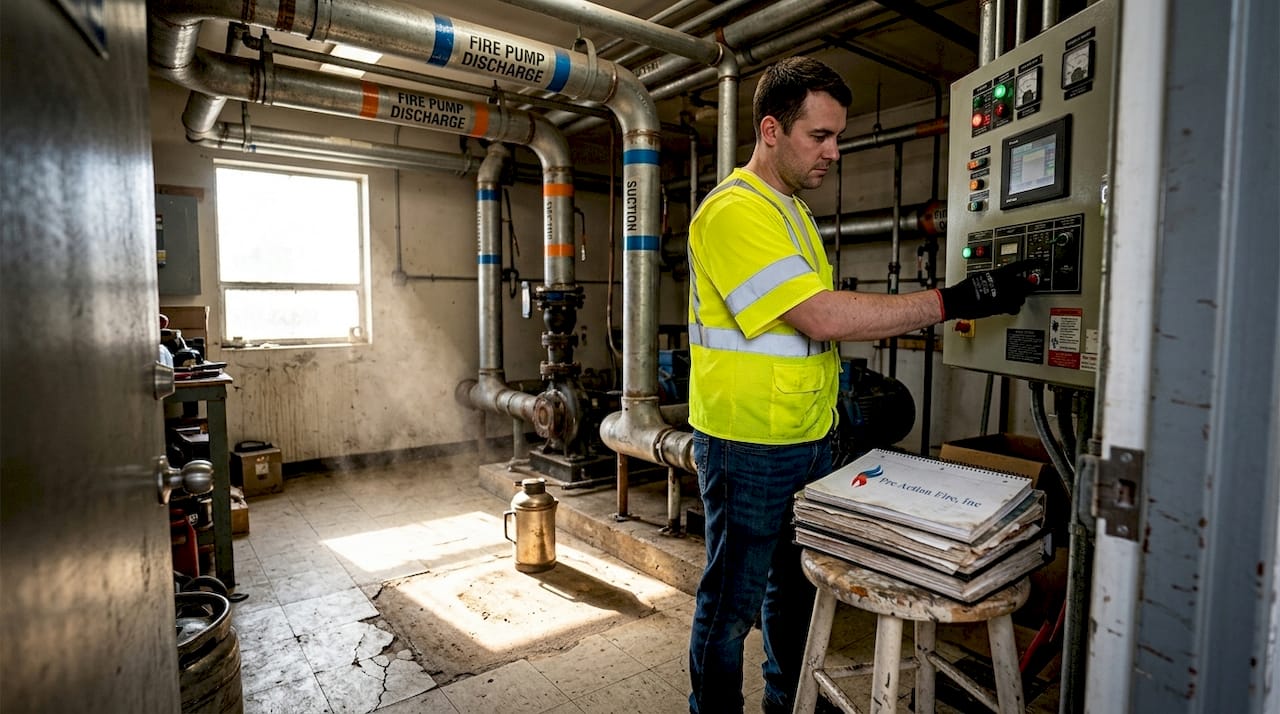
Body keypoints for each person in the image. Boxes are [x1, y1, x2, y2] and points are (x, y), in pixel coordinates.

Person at [685, 56, 1039, 714]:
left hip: (805, 438)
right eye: (820, 136)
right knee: (729, 610)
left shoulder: (789, 212)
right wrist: (950, 299)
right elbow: (820, 315)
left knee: (791, 597)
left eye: (837, 137)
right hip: (746, 447)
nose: (835, 152)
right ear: (770, 131)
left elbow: (811, 332)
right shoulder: (734, 212)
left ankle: (788, 703)